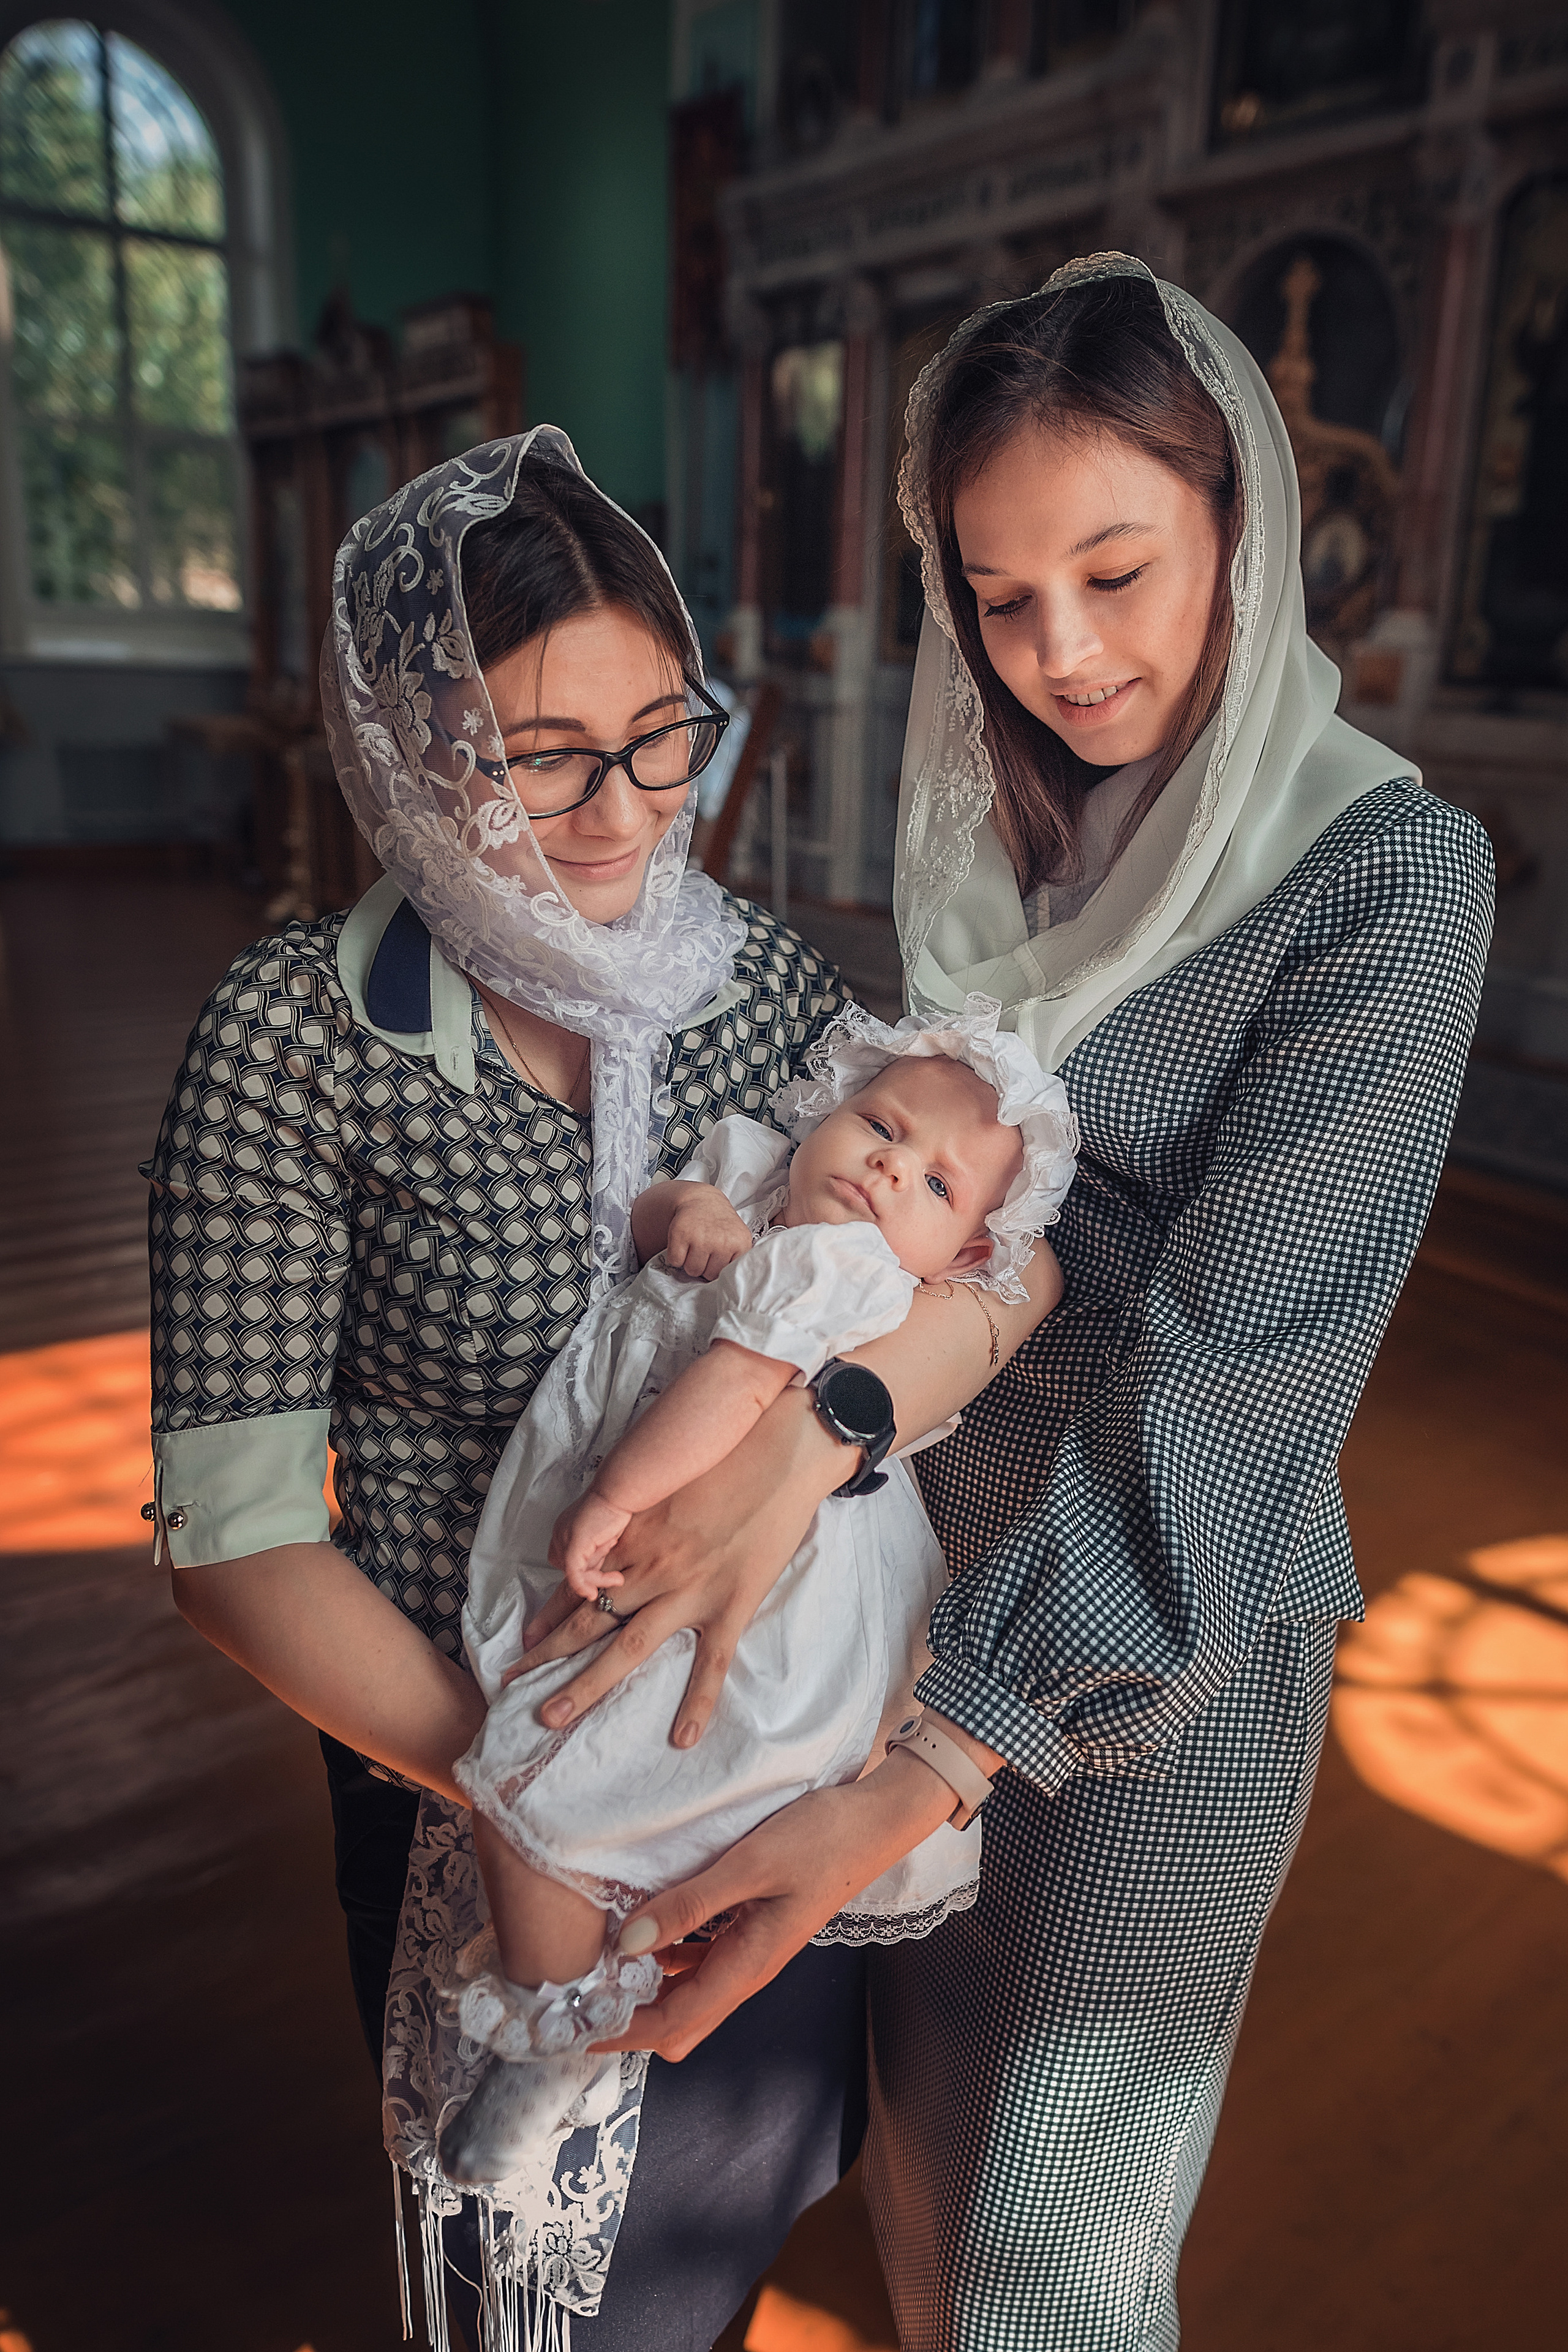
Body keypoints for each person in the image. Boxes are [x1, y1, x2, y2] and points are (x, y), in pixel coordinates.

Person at [514, 257, 1496, 2350]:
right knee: (929, 2216)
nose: (1065, 655)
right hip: (903, 1593)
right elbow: (933, 1239)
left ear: (1242, 518)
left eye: (1121, 573)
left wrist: (933, 1755)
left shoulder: (1388, 880)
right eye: (1000, 596)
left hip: (1153, 1661)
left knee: (1054, 2263)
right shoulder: (1011, 839)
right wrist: (793, 1448)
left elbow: (1238, 1373)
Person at [148, 427, 1055, 2351]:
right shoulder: (299, 1036)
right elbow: (230, 1549)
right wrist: (541, 1780)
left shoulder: (765, 991)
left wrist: (819, 1440)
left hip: (776, 1757)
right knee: (532, 2276)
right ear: (409, 742)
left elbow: (998, 1270)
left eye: (662, 735)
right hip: (476, 1766)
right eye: (540, 755)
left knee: (709, 2243)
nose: (628, 811)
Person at [435, 1006, 1074, 2191]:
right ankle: (570, 1998)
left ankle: (550, 2031)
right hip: (701, 1531)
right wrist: (680, 1213)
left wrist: (613, 1499)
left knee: (543, 1773)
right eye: (879, 1124)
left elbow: (732, 1395)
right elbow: (640, 1219)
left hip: (755, 1567)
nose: (888, 1165)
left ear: (965, 1257)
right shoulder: (753, 1178)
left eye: (934, 1184)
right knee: (577, 1763)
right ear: (819, 1109)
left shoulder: (851, 1276)